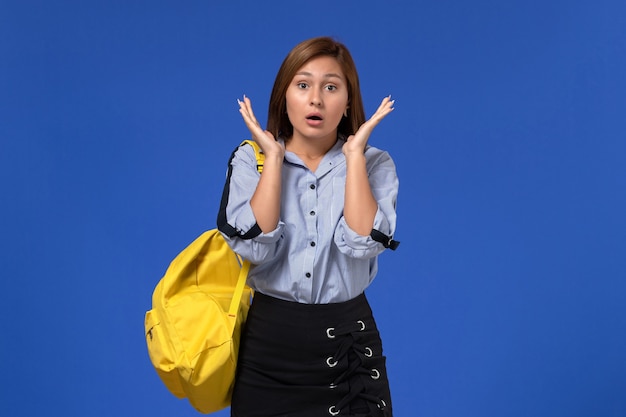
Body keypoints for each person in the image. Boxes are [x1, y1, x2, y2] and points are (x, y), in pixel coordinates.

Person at [217, 36, 399, 417]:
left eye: (331, 87)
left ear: (348, 101)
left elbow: (362, 243)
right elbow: (254, 247)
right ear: (285, 95)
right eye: (303, 85)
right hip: (269, 351)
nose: (316, 99)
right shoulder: (252, 161)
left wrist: (352, 156)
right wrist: (274, 157)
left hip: (349, 345)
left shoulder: (373, 163)